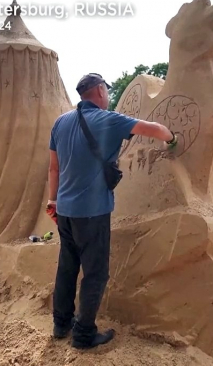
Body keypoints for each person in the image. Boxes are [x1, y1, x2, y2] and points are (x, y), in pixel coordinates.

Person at [46, 73, 178, 349]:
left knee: (67, 268)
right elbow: (154, 130)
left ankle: (61, 324)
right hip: (92, 212)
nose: (108, 94)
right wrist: (172, 138)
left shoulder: (61, 122)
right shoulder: (108, 120)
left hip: (66, 212)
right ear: (99, 92)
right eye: (106, 90)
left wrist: (53, 201)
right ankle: (83, 334)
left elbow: (54, 168)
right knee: (95, 273)